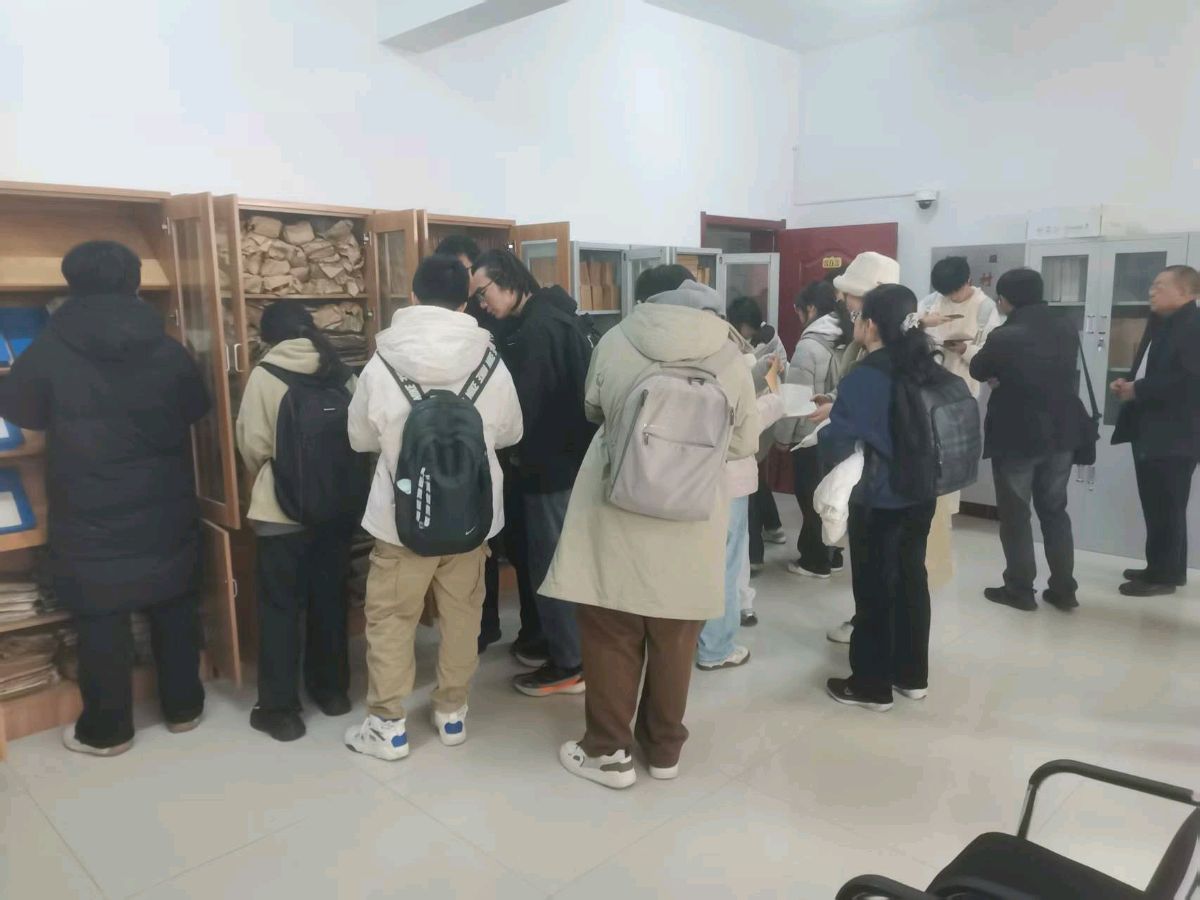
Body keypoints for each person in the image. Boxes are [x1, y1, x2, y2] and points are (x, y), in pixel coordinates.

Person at [541, 274, 759, 788]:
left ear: (649, 302)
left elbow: (593, 407)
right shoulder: (731, 354)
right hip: (692, 514)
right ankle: (663, 750)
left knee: (610, 629)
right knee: (676, 635)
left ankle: (607, 752)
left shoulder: (618, 338)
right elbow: (744, 441)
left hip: (615, 506)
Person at [0, 241, 208, 756]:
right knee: (174, 604)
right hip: (164, 499)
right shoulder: (166, 346)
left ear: (72, 284)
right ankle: (185, 709)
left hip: (88, 504)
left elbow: (21, 411)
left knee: (100, 616)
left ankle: (108, 731)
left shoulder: (50, 347)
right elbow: (196, 406)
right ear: (135, 283)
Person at [343, 255, 523, 759]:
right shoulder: (489, 360)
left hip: (400, 521)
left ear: (413, 298)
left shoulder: (383, 360)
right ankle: (451, 712)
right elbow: (512, 431)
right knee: (462, 616)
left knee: (392, 620)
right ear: (465, 303)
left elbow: (359, 438)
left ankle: (388, 726)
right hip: (471, 518)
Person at [469, 250, 596, 696]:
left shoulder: (539, 330)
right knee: (546, 559)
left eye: (482, 293)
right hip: (561, 463)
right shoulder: (544, 317)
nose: (481, 303)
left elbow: (526, 406)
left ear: (507, 280)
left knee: (550, 563)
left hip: (551, 466)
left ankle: (569, 663)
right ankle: (556, 644)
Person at [235, 301, 360, 742]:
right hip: (338, 510)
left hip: (281, 513)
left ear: (269, 337)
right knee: (331, 599)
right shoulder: (341, 372)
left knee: (279, 609)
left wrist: (278, 478)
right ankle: (333, 692)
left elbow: (253, 445)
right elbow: (361, 435)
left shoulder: (265, 375)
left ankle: (281, 712)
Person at [820, 284, 939, 711]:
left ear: (870, 325)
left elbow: (838, 438)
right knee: (911, 579)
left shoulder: (866, 376)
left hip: (880, 496)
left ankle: (871, 685)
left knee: (874, 589)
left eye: (857, 316)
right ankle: (912, 676)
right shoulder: (924, 365)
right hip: (922, 491)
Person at [436, 235, 542, 657]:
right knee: (478, 545)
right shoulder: (469, 320)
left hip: (508, 456)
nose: (474, 295)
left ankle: (529, 630)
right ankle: (485, 626)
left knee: (514, 544)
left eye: (473, 279)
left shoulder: (508, 325)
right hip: (466, 456)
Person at [969, 269, 1086, 611]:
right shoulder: (1066, 327)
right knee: (1055, 511)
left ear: (1005, 300)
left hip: (1017, 435)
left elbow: (977, 369)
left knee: (1016, 514)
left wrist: (999, 377)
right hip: (1062, 433)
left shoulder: (1005, 335)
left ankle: (1019, 589)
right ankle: (1064, 589)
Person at [811, 251, 900, 645]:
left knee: (882, 564)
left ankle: (873, 646)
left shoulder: (887, 357)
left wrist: (836, 421)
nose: (844, 302)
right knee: (888, 565)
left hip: (884, 473)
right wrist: (835, 402)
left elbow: (870, 406)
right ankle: (889, 643)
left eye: (851, 295)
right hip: (894, 471)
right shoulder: (874, 346)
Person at [1111, 265, 1200, 597]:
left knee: (1167, 505)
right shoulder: (1164, 322)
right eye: (1152, 285)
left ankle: (1163, 577)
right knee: (1159, 504)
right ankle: (1163, 568)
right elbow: (1154, 369)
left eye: (1160, 286)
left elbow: (1190, 382)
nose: (1152, 291)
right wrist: (1129, 384)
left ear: (1186, 292)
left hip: (1176, 432)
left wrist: (1139, 389)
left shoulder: (1193, 327)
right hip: (1152, 426)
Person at [776, 280, 852, 579]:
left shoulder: (809, 345)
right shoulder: (849, 335)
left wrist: (782, 439)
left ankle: (814, 560)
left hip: (810, 434)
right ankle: (834, 555)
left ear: (810, 309)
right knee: (834, 494)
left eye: (798, 311)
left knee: (811, 497)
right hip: (841, 429)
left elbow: (796, 398)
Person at [726, 297, 788, 574]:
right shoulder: (760, 342)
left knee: (748, 490)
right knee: (755, 482)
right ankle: (772, 528)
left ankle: (754, 555)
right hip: (756, 426)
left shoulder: (751, 346)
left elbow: (770, 386)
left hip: (752, 427)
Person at [919, 256, 999, 395]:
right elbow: (905, 330)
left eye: (956, 291)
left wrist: (965, 349)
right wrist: (923, 323)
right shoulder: (930, 303)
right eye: (946, 293)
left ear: (968, 280)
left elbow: (991, 355)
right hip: (929, 384)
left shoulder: (985, 308)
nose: (952, 297)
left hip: (965, 387)